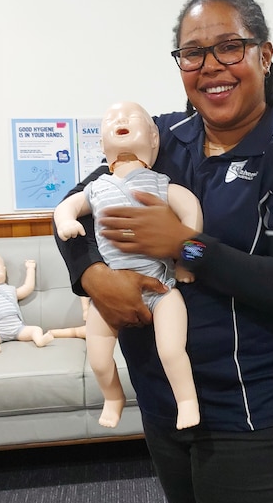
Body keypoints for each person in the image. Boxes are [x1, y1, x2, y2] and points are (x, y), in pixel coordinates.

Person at [54, 0, 273, 503]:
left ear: (264, 55)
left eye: (230, 47)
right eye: (193, 53)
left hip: (257, 409)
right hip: (166, 399)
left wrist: (183, 245)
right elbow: (76, 209)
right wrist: (95, 278)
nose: (211, 66)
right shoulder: (165, 138)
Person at [55, 100, 203, 430]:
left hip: (163, 287)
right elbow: (64, 208)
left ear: (154, 138)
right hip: (111, 290)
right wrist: (66, 223)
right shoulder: (95, 187)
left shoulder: (163, 183)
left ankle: (187, 400)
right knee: (98, 357)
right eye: (111, 120)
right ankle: (113, 397)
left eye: (131, 118)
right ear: (102, 143)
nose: (120, 120)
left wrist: (186, 263)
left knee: (171, 349)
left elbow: (192, 215)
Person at [0, 253, 54, 353]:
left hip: (18, 329)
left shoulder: (11, 290)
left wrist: (30, 269)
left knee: (36, 329)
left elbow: (27, 287)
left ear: (4, 270)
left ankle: (39, 340)